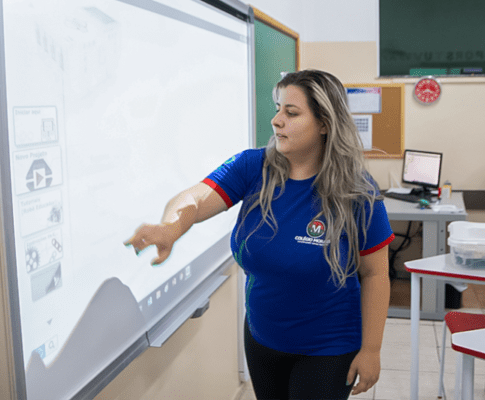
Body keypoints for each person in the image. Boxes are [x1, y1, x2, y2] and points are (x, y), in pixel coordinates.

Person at [125, 70, 394, 400]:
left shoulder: (357, 191)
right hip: (262, 338)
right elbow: (195, 198)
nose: (276, 120)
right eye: (278, 109)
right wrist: (171, 227)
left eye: (291, 113)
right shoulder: (253, 167)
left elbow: (376, 274)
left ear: (325, 123)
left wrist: (371, 349)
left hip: (329, 347)